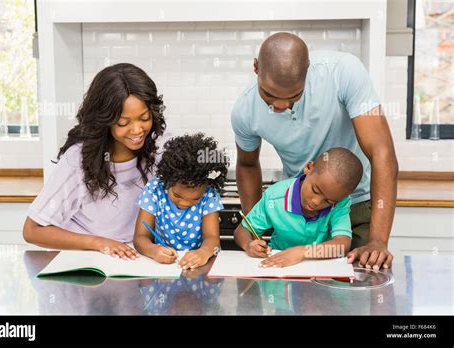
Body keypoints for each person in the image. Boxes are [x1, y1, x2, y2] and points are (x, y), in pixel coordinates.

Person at [231, 32, 398, 269]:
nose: (280, 106)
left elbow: (382, 152)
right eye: (269, 95)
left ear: (307, 71)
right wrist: (255, 229)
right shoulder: (244, 110)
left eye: (293, 96)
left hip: (357, 203)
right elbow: (247, 165)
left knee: (359, 290)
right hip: (297, 213)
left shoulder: (343, 72)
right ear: (256, 67)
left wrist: (378, 241)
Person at [23, 63, 166, 259]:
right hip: (89, 262)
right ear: (104, 120)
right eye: (123, 123)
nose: (137, 130)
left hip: (137, 261)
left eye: (144, 118)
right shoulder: (77, 161)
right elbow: (32, 230)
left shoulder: (158, 150)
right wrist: (99, 243)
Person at [234, 148, 363, 268]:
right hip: (277, 268)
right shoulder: (275, 196)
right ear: (308, 168)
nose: (316, 202)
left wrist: (302, 252)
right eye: (315, 190)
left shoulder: (340, 203)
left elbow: (342, 245)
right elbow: (242, 231)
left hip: (319, 269)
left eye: (328, 201)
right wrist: (248, 245)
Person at [134, 133, 229, 270]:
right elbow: (140, 238)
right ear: (167, 180)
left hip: (199, 267)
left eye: (196, 198)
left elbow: (212, 238)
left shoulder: (209, 194)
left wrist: (203, 253)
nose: (184, 203)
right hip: (164, 268)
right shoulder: (155, 190)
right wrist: (153, 250)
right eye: (177, 195)